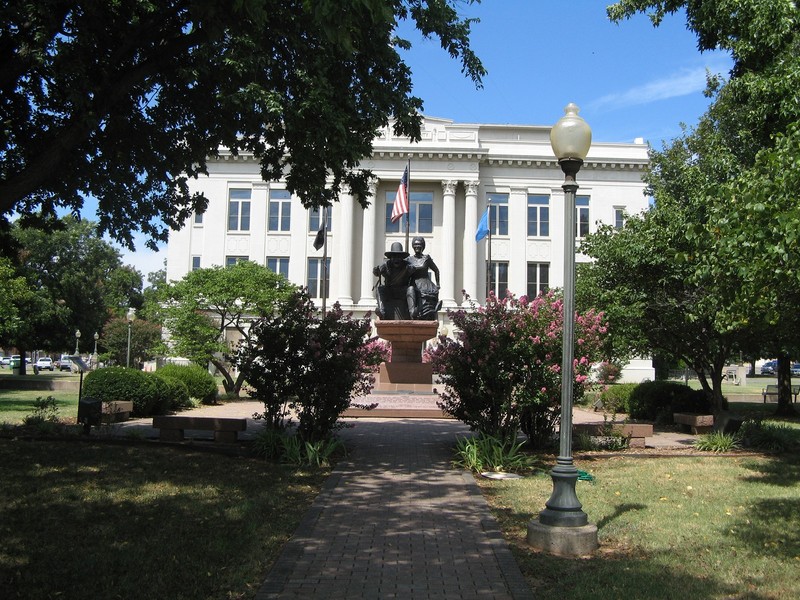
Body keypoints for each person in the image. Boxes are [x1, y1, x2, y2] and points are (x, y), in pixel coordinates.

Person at [373, 242, 415, 320]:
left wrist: (410, 269)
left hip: (402, 291)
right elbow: (377, 272)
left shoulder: (407, 265)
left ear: (402, 258)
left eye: (399, 257)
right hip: (390, 291)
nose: (396, 259)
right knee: (380, 289)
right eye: (394, 256)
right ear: (390, 258)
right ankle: (382, 312)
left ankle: (412, 312)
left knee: (411, 289)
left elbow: (413, 269)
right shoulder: (386, 265)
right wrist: (376, 270)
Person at [407, 236, 441, 320]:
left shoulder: (426, 258)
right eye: (415, 245)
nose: (417, 246)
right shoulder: (409, 259)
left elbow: (436, 270)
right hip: (414, 284)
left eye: (419, 244)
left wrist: (437, 284)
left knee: (428, 305)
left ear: (423, 246)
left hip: (426, 284)